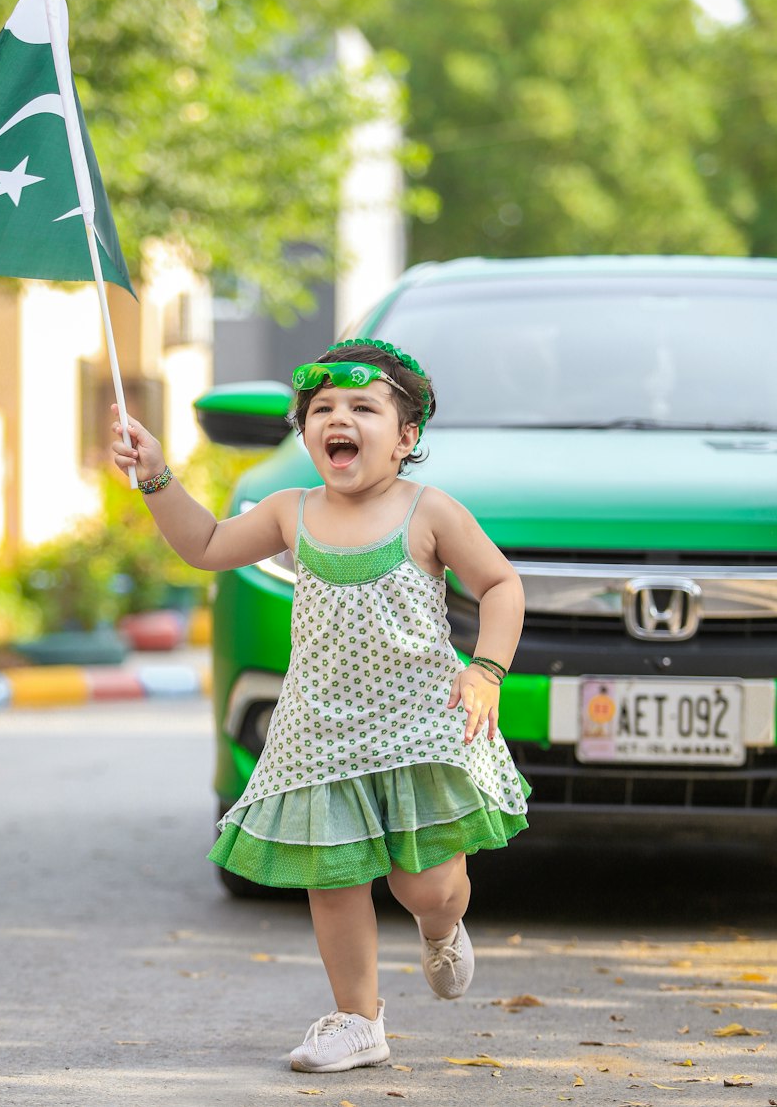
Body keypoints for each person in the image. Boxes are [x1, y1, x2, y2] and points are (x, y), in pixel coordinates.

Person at [111, 337, 529, 1074]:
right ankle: (357, 1019)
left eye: (364, 407)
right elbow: (206, 543)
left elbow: (500, 586)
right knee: (333, 879)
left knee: (422, 883)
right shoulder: (289, 511)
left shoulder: (429, 512)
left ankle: (442, 927)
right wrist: (156, 478)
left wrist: (487, 670)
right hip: (319, 735)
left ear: (406, 438)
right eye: (322, 409)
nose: (340, 417)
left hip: (420, 726)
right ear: (306, 434)